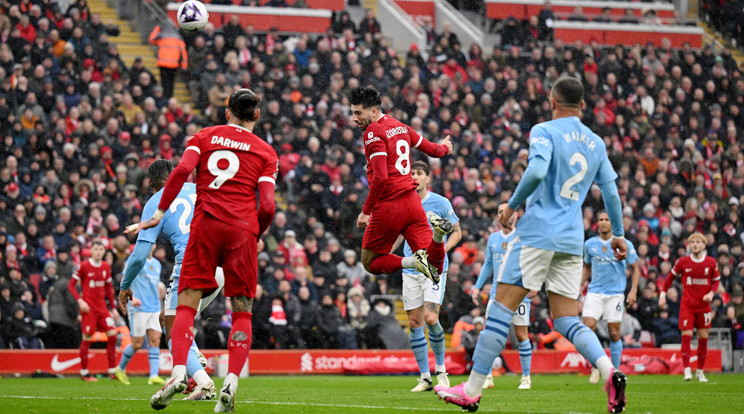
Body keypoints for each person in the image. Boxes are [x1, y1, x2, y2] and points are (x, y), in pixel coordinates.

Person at [434, 77, 628, 414]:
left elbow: (536, 170)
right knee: (567, 319)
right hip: (571, 239)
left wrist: (512, 205)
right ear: (582, 105)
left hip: (538, 234)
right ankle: (609, 370)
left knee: (499, 310)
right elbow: (610, 192)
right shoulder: (596, 142)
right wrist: (620, 233)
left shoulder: (545, 130)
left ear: (552, 101)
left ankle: (472, 390)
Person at [133, 89, 277, 412]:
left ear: (227, 113)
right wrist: (256, 233)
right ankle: (231, 383)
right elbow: (267, 205)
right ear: (257, 115)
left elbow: (181, 173)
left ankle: (182, 372)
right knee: (241, 311)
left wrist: (158, 212)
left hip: (206, 229)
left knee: (182, 310)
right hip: (241, 232)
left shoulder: (204, 136)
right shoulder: (266, 152)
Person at [119, 160, 220, 400]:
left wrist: (124, 286)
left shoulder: (156, 201)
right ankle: (195, 359)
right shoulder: (199, 188)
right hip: (219, 265)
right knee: (173, 320)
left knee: (173, 331)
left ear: (151, 182)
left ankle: (200, 379)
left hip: (191, 266)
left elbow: (140, 255)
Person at [347, 86, 453, 286]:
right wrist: (444, 148)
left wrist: (366, 211)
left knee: (370, 263)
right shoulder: (401, 126)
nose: (353, 118)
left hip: (389, 206)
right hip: (413, 203)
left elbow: (380, 178)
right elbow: (432, 149)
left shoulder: (372, 132)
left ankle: (412, 261)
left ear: (373, 111)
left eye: (357, 113)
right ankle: (438, 235)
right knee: (435, 268)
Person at [392, 161, 461, 392]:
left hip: (434, 269)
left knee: (431, 318)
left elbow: (457, 232)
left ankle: (441, 370)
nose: (415, 176)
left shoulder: (440, 203)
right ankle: (425, 377)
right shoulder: (403, 203)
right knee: (414, 322)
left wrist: (442, 251)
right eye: (411, 173)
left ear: (427, 178)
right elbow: (399, 236)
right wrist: (382, 252)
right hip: (411, 269)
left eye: (419, 173)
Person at [472, 202, 534, 390]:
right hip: (497, 294)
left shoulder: (523, 237)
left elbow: (532, 263)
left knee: (522, 334)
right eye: (500, 212)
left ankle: (526, 377)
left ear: (515, 215)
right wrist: (477, 287)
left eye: (507, 211)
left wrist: (532, 284)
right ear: (498, 217)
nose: (504, 215)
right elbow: (488, 265)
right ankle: (488, 375)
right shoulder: (493, 239)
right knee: (489, 334)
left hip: (519, 293)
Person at [582, 210, 640, 383]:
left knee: (614, 332)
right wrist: (578, 286)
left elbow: (635, 267)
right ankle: (596, 364)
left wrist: (634, 290)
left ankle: (614, 371)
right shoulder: (590, 244)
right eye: (601, 219)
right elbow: (587, 267)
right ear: (597, 223)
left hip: (615, 293)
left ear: (612, 222)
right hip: (594, 291)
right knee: (588, 327)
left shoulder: (624, 243)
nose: (604, 222)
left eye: (607, 219)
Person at [658, 232, 719, 382]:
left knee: (703, 338)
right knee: (686, 337)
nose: (695, 245)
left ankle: (700, 371)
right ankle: (687, 370)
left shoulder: (711, 262)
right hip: (687, 306)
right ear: (689, 245)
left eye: (698, 242)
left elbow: (716, 281)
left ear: (704, 245)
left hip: (704, 307)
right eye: (693, 242)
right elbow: (669, 278)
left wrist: (711, 294)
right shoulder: (683, 262)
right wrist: (662, 295)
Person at [67, 241, 120, 382]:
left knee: (113, 336)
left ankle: (112, 371)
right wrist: (80, 301)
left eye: (100, 249)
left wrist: (113, 309)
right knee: (87, 339)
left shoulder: (106, 266)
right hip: (88, 308)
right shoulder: (84, 266)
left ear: (104, 252)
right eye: (95, 249)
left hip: (102, 308)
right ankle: (84, 373)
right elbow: (71, 285)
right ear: (91, 251)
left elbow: (109, 289)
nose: (98, 252)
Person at [115, 247, 164, 386]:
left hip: (154, 307)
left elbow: (153, 285)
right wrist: (132, 298)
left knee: (155, 340)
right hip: (138, 308)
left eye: (153, 243)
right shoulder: (134, 259)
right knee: (137, 343)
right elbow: (124, 279)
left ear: (155, 246)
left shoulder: (157, 264)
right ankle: (120, 368)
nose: (151, 245)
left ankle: (153, 375)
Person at [148, 23, 188, 99]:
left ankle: (165, 99)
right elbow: (183, 53)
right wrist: (184, 66)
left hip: (163, 64)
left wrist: (157, 27)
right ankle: (169, 98)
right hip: (173, 65)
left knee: (164, 83)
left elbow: (151, 39)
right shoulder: (178, 38)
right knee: (171, 84)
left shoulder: (161, 37)